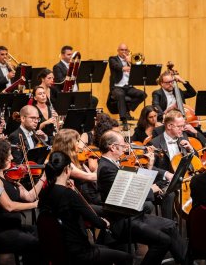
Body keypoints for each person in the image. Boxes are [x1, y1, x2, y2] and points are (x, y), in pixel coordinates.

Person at [97, 130, 186, 265]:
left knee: (171, 226)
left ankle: (186, 261)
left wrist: (150, 166)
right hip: (123, 220)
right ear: (113, 147)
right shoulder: (106, 168)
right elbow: (128, 193)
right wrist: (153, 190)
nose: (126, 148)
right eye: (123, 145)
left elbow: (135, 182)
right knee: (163, 240)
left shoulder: (111, 164)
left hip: (133, 215)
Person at [38, 151, 132, 265]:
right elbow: (96, 222)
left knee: (105, 247)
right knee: (126, 257)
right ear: (67, 169)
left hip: (56, 250)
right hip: (78, 251)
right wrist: (105, 223)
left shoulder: (43, 193)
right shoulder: (69, 194)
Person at [0, 138, 46, 265]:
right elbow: (8, 206)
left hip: (13, 225)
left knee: (42, 233)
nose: (11, 158)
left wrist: (44, 177)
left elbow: (30, 196)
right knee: (35, 243)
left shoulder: (6, 176)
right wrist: (35, 205)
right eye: (8, 154)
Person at [150, 109, 197, 219]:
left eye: (183, 126)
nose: (183, 129)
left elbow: (195, 163)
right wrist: (166, 173)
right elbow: (150, 167)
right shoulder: (155, 143)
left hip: (184, 179)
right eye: (179, 126)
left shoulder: (183, 137)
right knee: (170, 195)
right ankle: (169, 226)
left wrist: (191, 150)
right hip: (165, 182)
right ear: (170, 126)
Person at [108, 43, 147, 121]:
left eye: (126, 50)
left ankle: (127, 110)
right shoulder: (113, 59)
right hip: (117, 87)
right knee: (120, 94)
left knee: (142, 94)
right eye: (122, 50)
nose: (124, 51)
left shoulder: (130, 60)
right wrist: (126, 65)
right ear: (118, 51)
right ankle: (123, 118)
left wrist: (130, 62)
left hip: (128, 87)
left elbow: (138, 70)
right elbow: (117, 67)